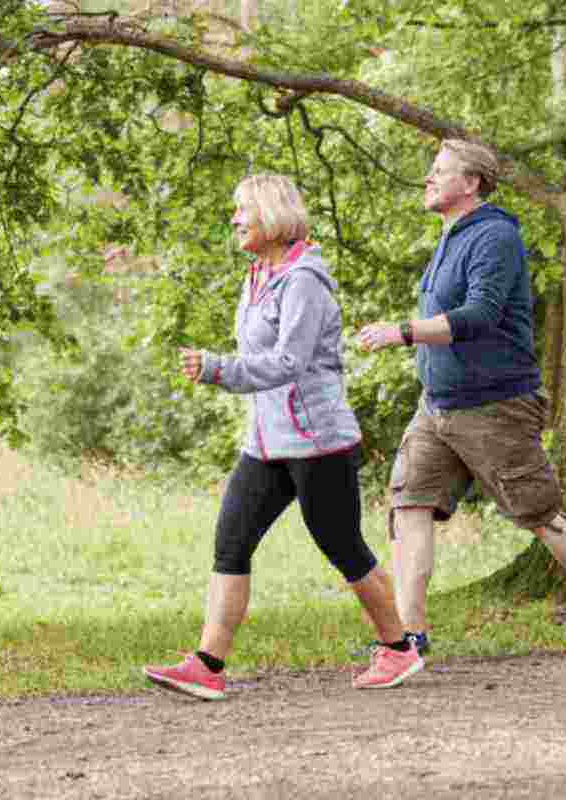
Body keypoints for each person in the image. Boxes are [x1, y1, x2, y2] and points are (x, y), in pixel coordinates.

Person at [143, 174, 422, 700]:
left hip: (319, 443)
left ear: (271, 214)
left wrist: (219, 369)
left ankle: (399, 649)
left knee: (343, 547)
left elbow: (289, 361)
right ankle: (207, 665)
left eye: (242, 209)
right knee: (231, 542)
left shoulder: (304, 282)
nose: (234, 219)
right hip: (266, 443)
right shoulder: (258, 276)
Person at [358, 139, 566, 654]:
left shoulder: (494, 236)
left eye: (439, 171)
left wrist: (403, 332)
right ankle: (408, 637)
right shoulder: (450, 235)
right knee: (409, 506)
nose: (428, 177)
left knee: (537, 513)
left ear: (471, 183)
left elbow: (479, 315)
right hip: (437, 404)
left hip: (494, 406)